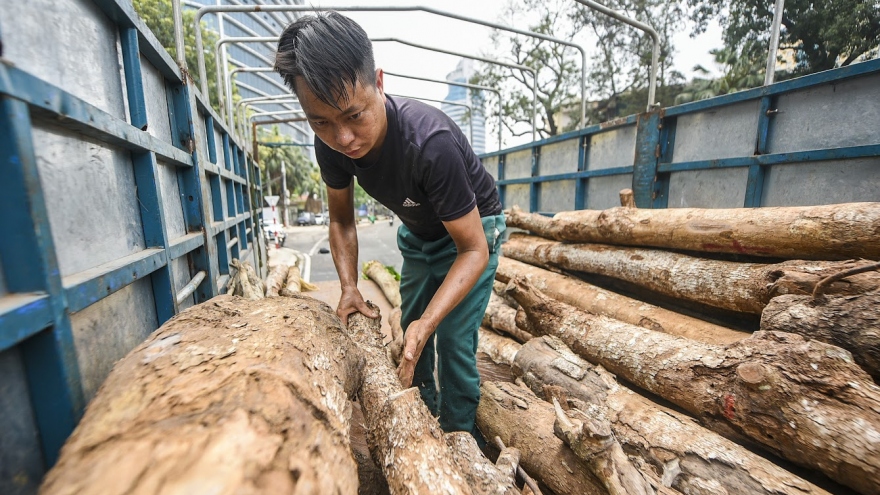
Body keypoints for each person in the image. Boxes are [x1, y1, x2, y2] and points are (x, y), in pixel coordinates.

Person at [275, 12, 505, 442]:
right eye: (320, 121)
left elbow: (473, 250)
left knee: (451, 337)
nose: (343, 138)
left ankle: (460, 438)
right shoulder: (330, 144)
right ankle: (422, 419)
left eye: (354, 115)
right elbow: (342, 220)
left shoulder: (430, 143)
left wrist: (431, 320)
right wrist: (348, 287)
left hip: (474, 235)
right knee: (414, 326)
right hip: (419, 235)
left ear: (378, 81)